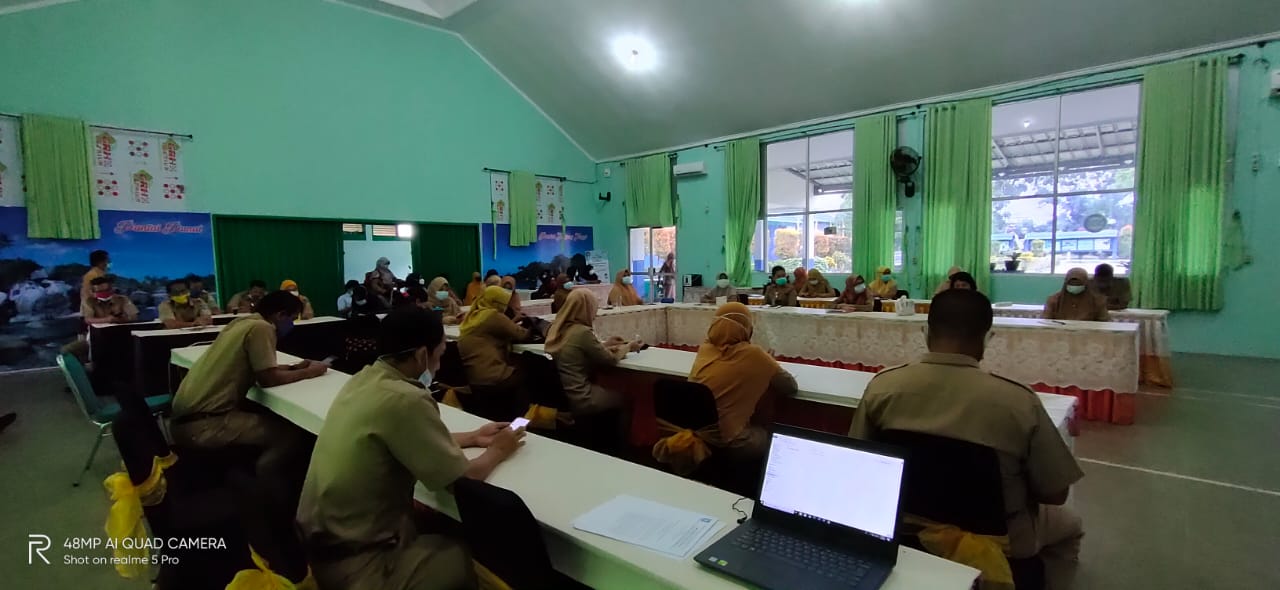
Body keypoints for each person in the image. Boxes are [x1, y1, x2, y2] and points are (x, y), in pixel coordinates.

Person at [848, 289, 1084, 589]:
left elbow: (861, 464)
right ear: (986, 338)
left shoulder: (883, 387)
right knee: (1071, 525)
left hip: (905, 527)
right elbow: (1055, 493)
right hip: (999, 539)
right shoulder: (1018, 402)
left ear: (925, 333)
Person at [298, 307, 525, 590]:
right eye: (440, 354)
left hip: (322, 550)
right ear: (421, 355)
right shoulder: (406, 398)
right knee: (470, 559)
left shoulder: (365, 379)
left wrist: (472, 437)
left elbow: (397, 437)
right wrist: (499, 450)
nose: (439, 365)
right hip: (361, 565)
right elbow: (464, 480)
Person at [169, 291, 329, 515]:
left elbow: (257, 368)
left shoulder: (241, 323)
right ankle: (269, 498)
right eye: (291, 318)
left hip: (184, 420)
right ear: (280, 315)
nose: (292, 325)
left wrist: (294, 368)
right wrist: (312, 372)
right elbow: (268, 379)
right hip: (205, 425)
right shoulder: (262, 328)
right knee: (289, 435)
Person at [689, 302, 798, 460]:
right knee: (771, 437)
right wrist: (768, 362)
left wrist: (764, 362)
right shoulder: (755, 355)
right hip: (730, 441)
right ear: (748, 328)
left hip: (695, 434)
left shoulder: (705, 349)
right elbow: (790, 386)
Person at [545, 289, 638, 425]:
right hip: (583, 397)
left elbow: (577, 351)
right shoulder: (582, 332)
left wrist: (606, 344)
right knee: (627, 399)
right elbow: (610, 360)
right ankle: (619, 438)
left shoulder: (559, 328)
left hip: (565, 395)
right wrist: (628, 346)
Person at [457, 286, 531, 419]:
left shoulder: (474, 315)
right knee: (530, 374)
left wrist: (512, 322)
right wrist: (534, 325)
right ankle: (521, 421)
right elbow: (522, 334)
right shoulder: (493, 315)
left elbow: (492, 330)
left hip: (474, 378)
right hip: (493, 377)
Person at [1043, 268, 1110, 322]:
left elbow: (1104, 322)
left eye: (1078, 284)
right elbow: (1045, 321)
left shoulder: (1097, 301)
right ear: (1066, 283)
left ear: (1086, 284)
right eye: (1071, 284)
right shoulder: (1054, 300)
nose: (1074, 286)